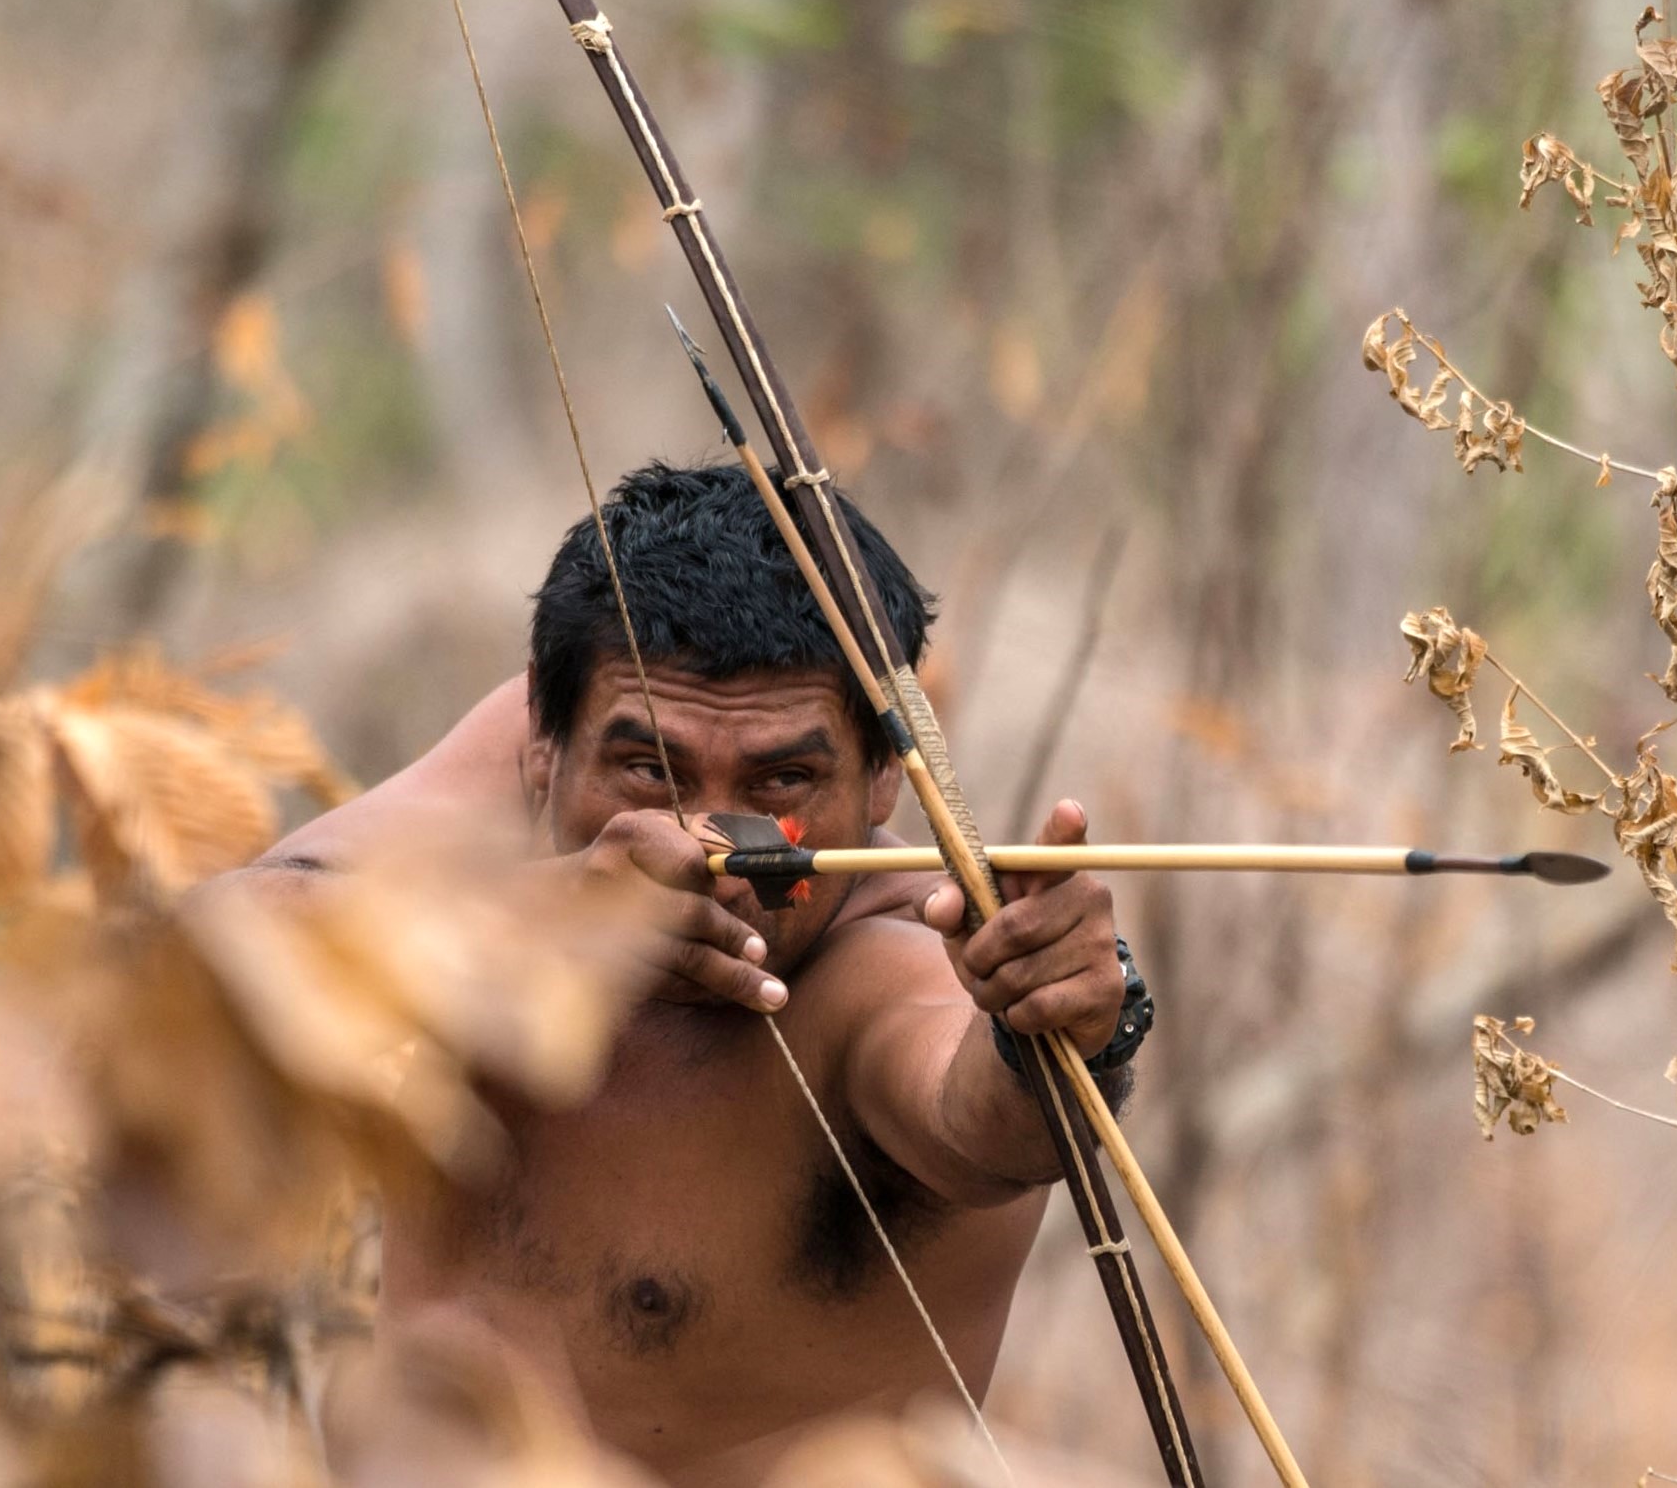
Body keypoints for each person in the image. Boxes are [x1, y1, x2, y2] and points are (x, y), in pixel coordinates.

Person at [209, 462, 1141, 1487]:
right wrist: (548, 915)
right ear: (539, 746)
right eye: (655, 770)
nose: (710, 839)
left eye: (782, 780)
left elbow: (986, 1117)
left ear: (882, 778)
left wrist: (1050, 1020)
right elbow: (200, 953)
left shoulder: (882, 965)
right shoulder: (554, 784)